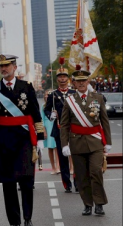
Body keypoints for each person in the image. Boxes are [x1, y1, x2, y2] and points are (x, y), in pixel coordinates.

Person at [0, 54, 45, 226]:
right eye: (1, 66)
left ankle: (28, 219)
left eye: (7, 66)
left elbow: (35, 115)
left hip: (24, 140)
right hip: (3, 141)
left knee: (26, 181)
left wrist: (39, 138)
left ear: (14, 67)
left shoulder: (26, 87)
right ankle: (14, 221)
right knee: (8, 183)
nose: (3, 69)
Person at [60, 68, 112, 216]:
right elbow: (64, 124)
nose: (81, 83)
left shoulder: (98, 98)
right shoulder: (69, 101)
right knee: (82, 175)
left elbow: (104, 121)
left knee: (96, 172)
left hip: (95, 142)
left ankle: (99, 203)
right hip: (77, 142)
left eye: (84, 80)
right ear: (74, 83)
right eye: (78, 81)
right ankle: (88, 204)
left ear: (88, 81)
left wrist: (107, 142)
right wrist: (64, 144)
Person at [44, 67, 77, 193]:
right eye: (60, 77)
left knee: (76, 157)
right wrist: (50, 115)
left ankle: (77, 182)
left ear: (68, 79)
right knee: (63, 158)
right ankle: (66, 183)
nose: (62, 79)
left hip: (73, 129)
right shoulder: (53, 95)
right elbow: (46, 109)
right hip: (59, 129)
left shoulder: (74, 93)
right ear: (57, 79)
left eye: (64, 77)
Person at [41, 89, 60, 174]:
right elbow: (41, 119)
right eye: (46, 94)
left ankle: (58, 166)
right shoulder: (43, 106)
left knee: (57, 147)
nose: (47, 96)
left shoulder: (56, 105)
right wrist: (43, 130)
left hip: (55, 126)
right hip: (48, 127)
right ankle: (53, 167)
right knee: (50, 148)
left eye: (49, 95)